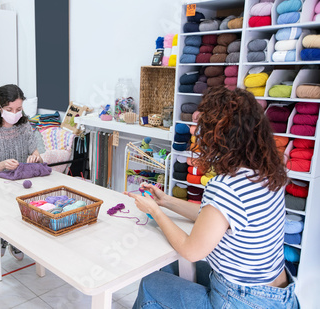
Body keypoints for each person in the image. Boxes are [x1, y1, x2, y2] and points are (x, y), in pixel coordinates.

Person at [128, 87, 299, 308]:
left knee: (151, 284)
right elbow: (213, 219)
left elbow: (191, 251)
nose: (196, 133)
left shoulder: (226, 186)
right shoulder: (268, 174)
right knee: (167, 269)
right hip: (279, 296)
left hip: (243, 300)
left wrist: (155, 211)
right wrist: (166, 201)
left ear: (218, 137)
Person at [0, 84, 42, 260]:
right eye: (9, 109)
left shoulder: (25, 126)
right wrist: (2, 165)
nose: (14, 113)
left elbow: (37, 155)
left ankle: (14, 239)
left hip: (21, 184)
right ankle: (6, 236)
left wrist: (35, 158)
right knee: (10, 205)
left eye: (18, 109)